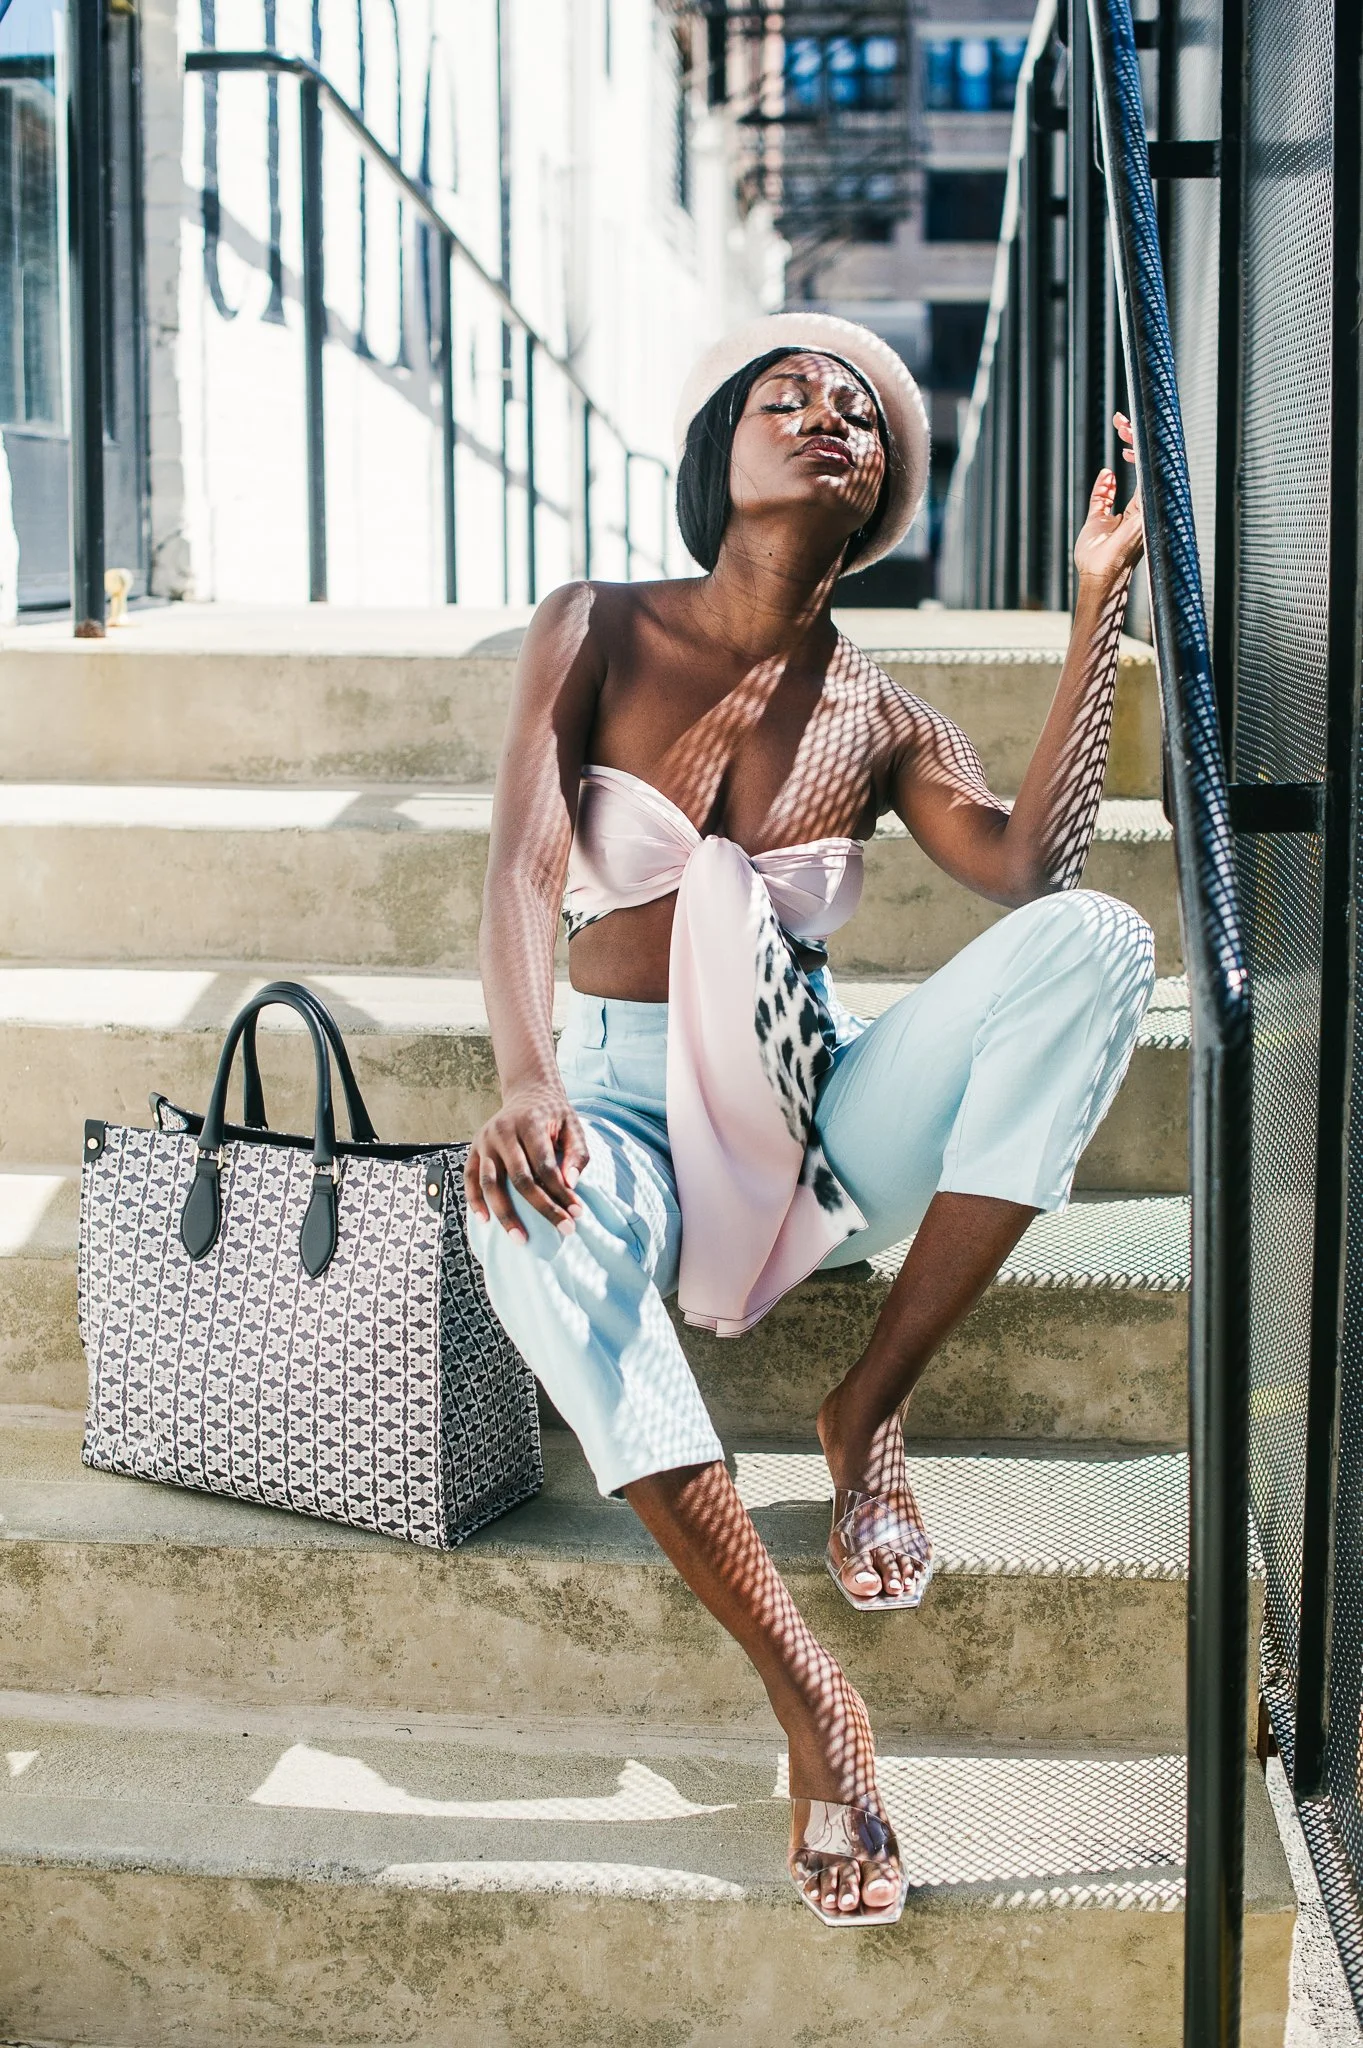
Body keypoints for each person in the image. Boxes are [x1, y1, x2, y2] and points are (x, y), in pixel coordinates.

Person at [466, 312, 1153, 1926]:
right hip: (618, 1106)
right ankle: (812, 1704)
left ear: (877, 498)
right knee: (520, 1231)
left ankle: (862, 1412)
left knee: (1103, 944)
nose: (825, 414)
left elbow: (1026, 870)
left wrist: (1094, 609)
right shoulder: (597, 626)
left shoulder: (881, 713)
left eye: (860, 413)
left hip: (807, 1115)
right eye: (787, 395)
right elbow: (518, 861)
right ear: (725, 453)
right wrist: (523, 1075)